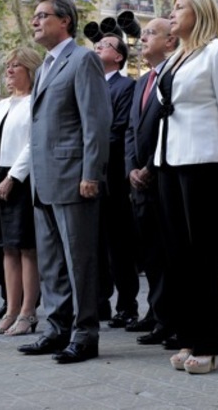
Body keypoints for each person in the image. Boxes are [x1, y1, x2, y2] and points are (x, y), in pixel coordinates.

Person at [156, 0, 218, 375]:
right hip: (169, 160)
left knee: (203, 254)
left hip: (205, 159)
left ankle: (208, 344)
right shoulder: (175, 56)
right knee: (178, 256)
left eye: (180, 8)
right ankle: (189, 337)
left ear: (201, 11)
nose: (172, 14)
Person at [17, 0, 111, 364]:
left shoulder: (84, 59)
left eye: (43, 16)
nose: (36, 22)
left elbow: (96, 121)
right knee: (53, 262)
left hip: (74, 178)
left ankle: (85, 334)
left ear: (65, 21)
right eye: (35, 16)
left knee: (79, 261)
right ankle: (56, 329)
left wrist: (91, 173)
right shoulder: (43, 68)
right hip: (44, 181)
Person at [124, 17, 178, 345]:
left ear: (171, 41)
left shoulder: (176, 74)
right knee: (152, 256)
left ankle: (174, 320)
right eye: (142, 33)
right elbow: (132, 130)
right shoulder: (143, 81)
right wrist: (132, 167)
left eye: (151, 33)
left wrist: (150, 167)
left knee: (172, 255)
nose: (142, 38)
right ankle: (159, 316)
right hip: (139, 183)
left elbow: (170, 125)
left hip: (165, 178)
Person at [0, 47, 41, 336]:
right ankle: (11, 310)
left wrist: (13, 178)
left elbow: (33, 143)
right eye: (8, 65)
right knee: (7, 248)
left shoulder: (36, 102)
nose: (9, 71)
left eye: (16, 65)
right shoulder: (3, 104)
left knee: (27, 248)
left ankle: (28, 313)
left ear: (30, 70)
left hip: (22, 179)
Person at [94, 32, 139, 329]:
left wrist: (92, 150)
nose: (97, 48)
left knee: (119, 244)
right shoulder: (90, 85)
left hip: (113, 175)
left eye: (104, 46)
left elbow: (120, 129)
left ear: (119, 56)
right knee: (95, 243)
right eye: (95, 45)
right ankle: (99, 302)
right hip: (89, 174)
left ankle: (127, 305)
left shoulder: (126, 86)